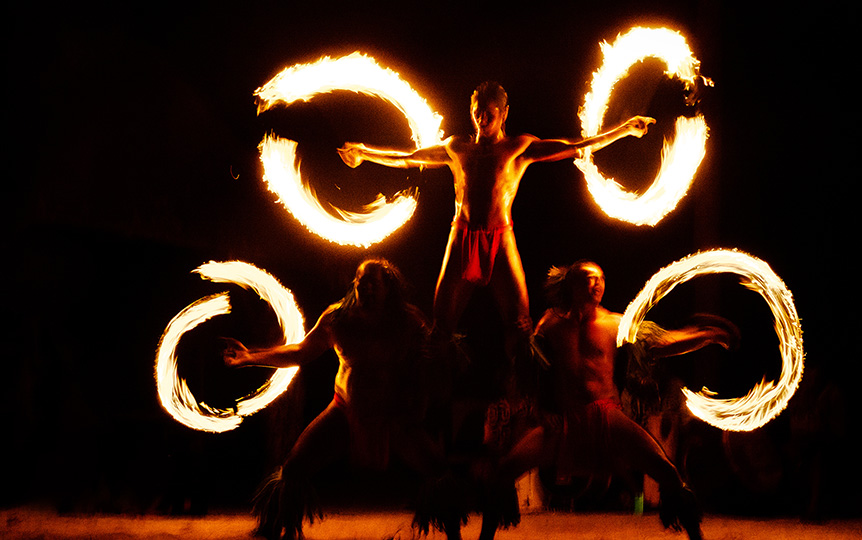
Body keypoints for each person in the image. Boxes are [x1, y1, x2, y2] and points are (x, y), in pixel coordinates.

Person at [338, 82, 656, 364]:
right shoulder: (457, 147)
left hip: (500, 238)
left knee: (520, 325)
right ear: (471, 111)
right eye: (478, 112)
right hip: (460, 236)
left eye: (490, 113)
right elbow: (410, 157)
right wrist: (365, 152)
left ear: (504, 113)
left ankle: (522, 398)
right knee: (441, 326)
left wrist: (624, 129)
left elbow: (575, 145)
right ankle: (435, 402)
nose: (482, 119)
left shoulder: (518, 147)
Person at [477, 261, 740, 540]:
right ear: (572, 284)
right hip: (564, 419)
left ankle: (696, 537)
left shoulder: (615, 323)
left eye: (601, 278)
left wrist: (709, 335)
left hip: (608, 415)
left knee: (667, 472)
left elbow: (664, 344)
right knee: (504, 471)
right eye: (590, 278)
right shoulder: (550, 323)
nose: (597, 284)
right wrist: (542, 408)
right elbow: (531, 369)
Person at [223, 259, 467, 540]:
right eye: (361, 282)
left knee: (437, 469)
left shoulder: (409, 321)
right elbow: (301, 352)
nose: (366, 288)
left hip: (394, 415)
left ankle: (453, 535)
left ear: (389, 287)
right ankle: (281, 528)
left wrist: (439, 357)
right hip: (345, 409)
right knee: (294, 467)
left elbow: (439, 355)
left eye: (373, 282)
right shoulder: (338, 319)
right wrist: (251, 357)